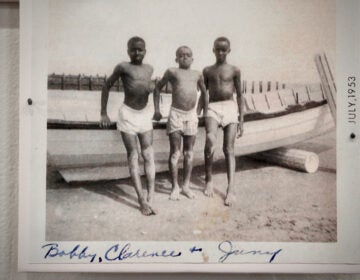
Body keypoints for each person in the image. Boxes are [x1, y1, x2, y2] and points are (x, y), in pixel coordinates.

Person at [99, 36, 157, 216]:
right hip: (128, 115)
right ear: (128, 51)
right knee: (134, 155)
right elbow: (106, 86)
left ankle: (151, 194)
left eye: (140, 49)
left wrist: (157, 109)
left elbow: (154, 89)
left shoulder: (149, 69)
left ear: (145, 51)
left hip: (145, 114)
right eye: (133, 49)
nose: (137, 52)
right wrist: (103, 112)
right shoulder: (123, 67)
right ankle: (141, 200)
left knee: (148, 154)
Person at [153, 46, 207, 200]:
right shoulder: (172, 72)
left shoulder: (197, 74)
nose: (184, 57)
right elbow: (157, 89)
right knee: (175, 153)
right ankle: (175, 187)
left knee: (189, 153)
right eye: (181, 55)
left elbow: (204, 93)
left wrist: (201, 111)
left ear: (192, 58)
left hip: (191, 116)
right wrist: (156, 110)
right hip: (176, 114)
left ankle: (186, 186)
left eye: (188, 55)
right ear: (176, 58)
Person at [202, 37, 244, 206]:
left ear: (228, 51)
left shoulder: (235, 70)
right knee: (210, 140)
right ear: (213, 50)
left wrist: (242, 119)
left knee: (229, 149)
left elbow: (240, 95)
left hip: (229, 108)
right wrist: (198, 112)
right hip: (213, 107)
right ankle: (208, 181)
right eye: (217, 49)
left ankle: (230, 189)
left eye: (223, 50)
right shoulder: (207, 70)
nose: (220, 53)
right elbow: (204, 94)